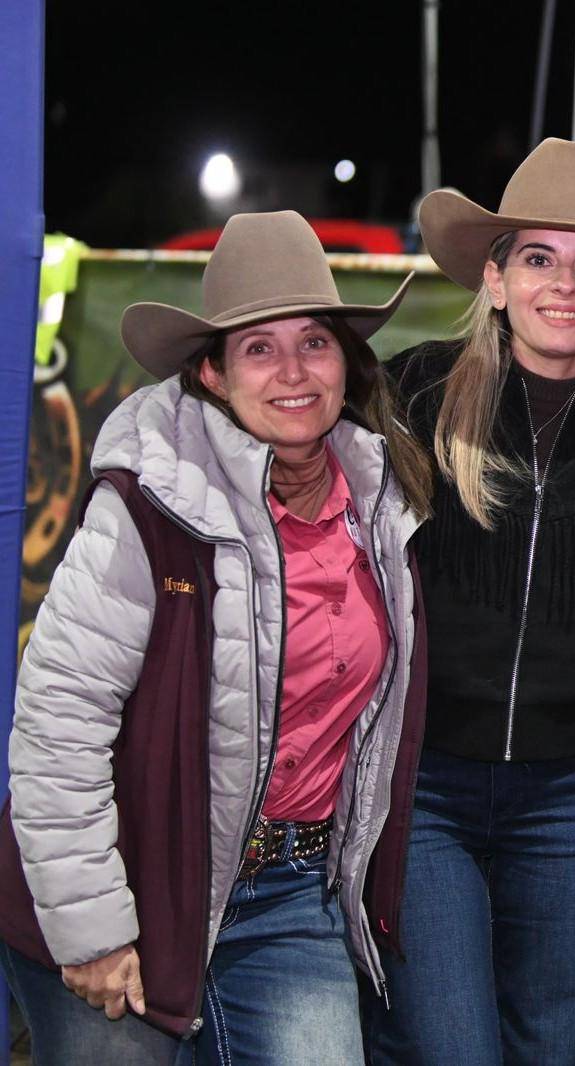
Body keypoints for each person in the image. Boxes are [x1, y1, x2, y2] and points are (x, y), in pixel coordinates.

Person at [0, 209, 433, 1064]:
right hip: (128, 880)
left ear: (347, 361)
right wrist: (90, 927)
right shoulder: (148, 505)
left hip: (288, 895)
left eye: (314, 342)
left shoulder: (384, 507)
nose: (293, 372)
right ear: (211, 371)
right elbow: (59, 723)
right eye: (258, 348)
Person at [366, 138, 575, 1065]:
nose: (566, 283)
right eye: (540, 258)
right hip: (426, 785)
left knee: (555, 1046)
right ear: (497, 278)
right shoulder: (417, 391)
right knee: (454, 1046)